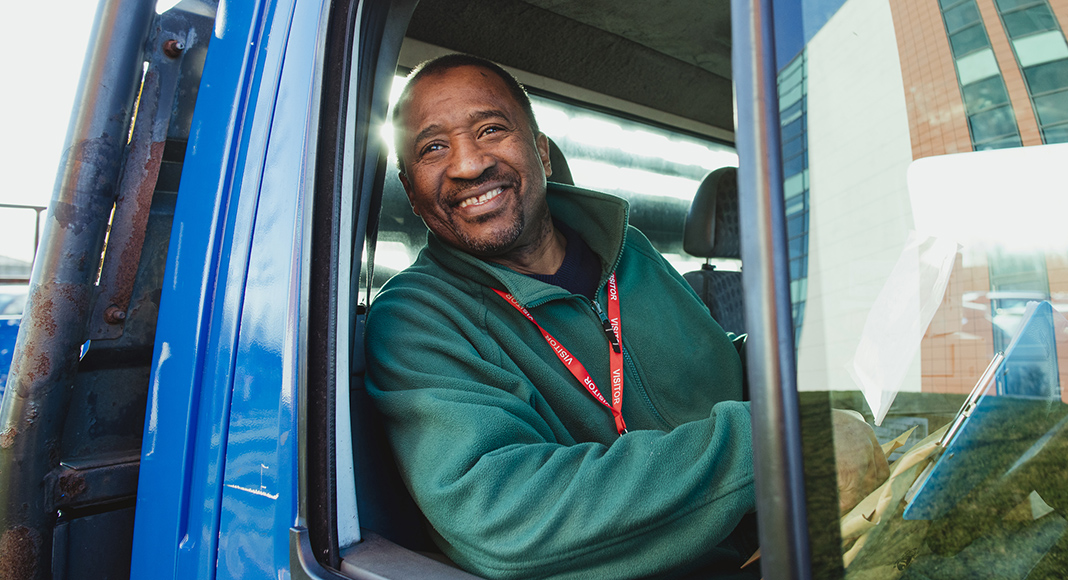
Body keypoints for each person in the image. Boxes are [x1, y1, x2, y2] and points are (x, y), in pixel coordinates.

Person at [365, 53, 884, 579]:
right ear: (411, 190)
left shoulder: (628, 253)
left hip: (780, 544)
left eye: (491, 129)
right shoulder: (417, 317)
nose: (469, 164)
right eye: (434, 147)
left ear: (541, 153)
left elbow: (716, 368)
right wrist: (772, 448)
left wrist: (832, 360)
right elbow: (502, 517)